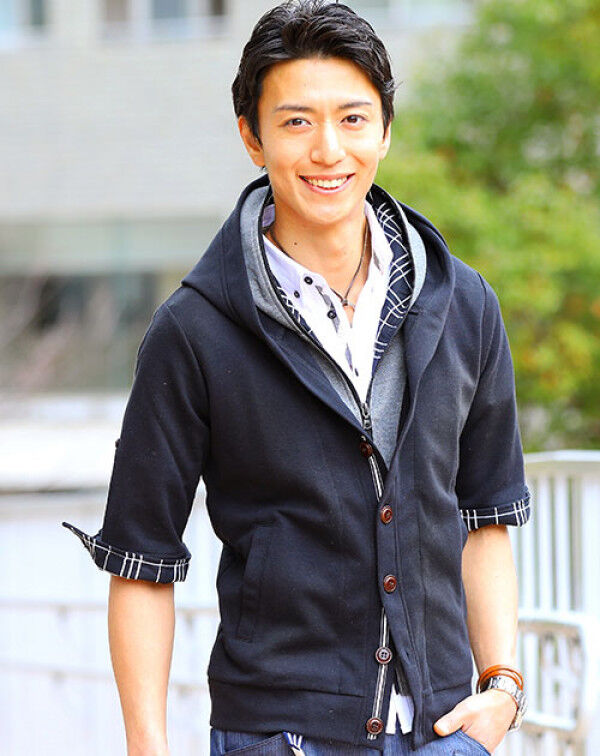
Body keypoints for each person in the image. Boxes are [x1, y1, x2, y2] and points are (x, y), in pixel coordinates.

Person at [63, 1, 531, 754]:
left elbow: (486, 515)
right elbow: (142, 562)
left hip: (447, 730)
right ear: (252, 138)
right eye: (296, 122)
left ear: (385, 130)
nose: (328, 150)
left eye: (352, 119)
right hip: (280, 735)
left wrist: (502, 688)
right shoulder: (194, 330)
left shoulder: (463, 303)